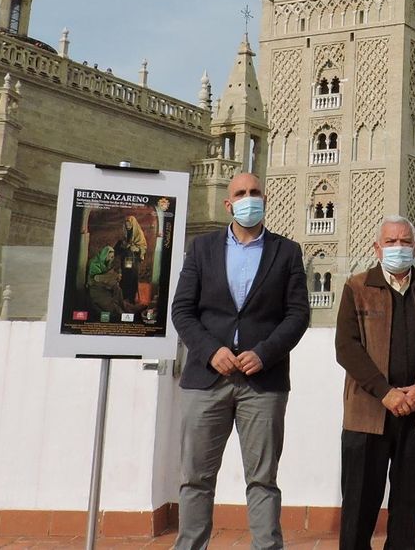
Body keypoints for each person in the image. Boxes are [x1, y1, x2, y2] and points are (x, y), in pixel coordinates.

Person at [170, 173, 309, 550]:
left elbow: (297, 316)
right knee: (196, 478)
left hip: (262, 383)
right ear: (228, 204)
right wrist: (210, 350)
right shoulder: (202, 249)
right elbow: (182, 310)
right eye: (241, 194)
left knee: (262, 479)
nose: (250, 199)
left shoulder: (287, 252)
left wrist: (264, 353)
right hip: (206, 379)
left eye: (255, 192)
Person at [335, 215, 415, 550]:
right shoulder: (357, 288)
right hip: (368, 415)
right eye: (391, 242)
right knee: (360, 505)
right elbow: (347, 348)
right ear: (377, 248)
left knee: (407, 506)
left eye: (405, 242)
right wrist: (385, 392)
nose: (398, 248)